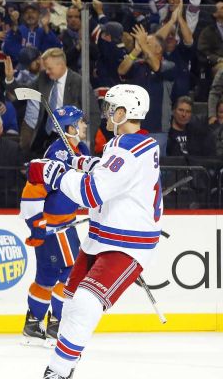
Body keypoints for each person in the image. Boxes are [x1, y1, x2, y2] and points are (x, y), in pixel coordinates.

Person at [28, 84, 162, 379]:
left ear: (124, 112)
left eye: (110, 108)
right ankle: (65, 365)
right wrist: (78, 161)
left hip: (127, 244)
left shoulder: (129, 149)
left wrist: (55, 173)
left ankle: (58, 371)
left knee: (87, 303)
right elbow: (108, 169)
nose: (106, 113)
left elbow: (92, 193)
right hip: (101, 238)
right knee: (70, 300)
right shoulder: (126, 142)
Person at [19, 106, 89, 346]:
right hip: (55, 229)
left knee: (49, 276)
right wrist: (36, 225)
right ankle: (56, 325)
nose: (85, 126)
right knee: (69, 275)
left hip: (62, 226)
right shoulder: (57, 153)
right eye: (81, 122)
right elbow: (34, 190)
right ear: (69, 128)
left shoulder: (80, 150)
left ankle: (33, 324)